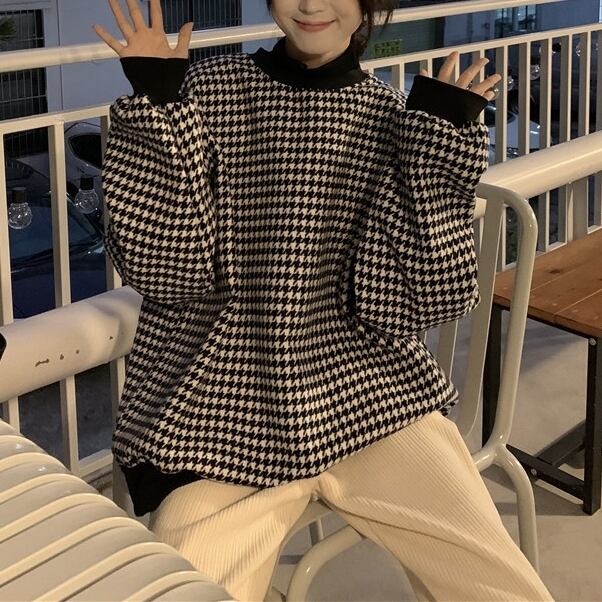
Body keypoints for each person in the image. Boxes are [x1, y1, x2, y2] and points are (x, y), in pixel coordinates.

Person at [92, 1, 554, 600]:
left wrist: (434, 154)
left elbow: (414, 303)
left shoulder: (397, 118)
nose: (311, 4)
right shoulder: (204, 90)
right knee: (182, 587)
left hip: (372, 398)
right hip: (222, 407)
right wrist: (157, 103)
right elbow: (169, 273)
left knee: (501, 583)